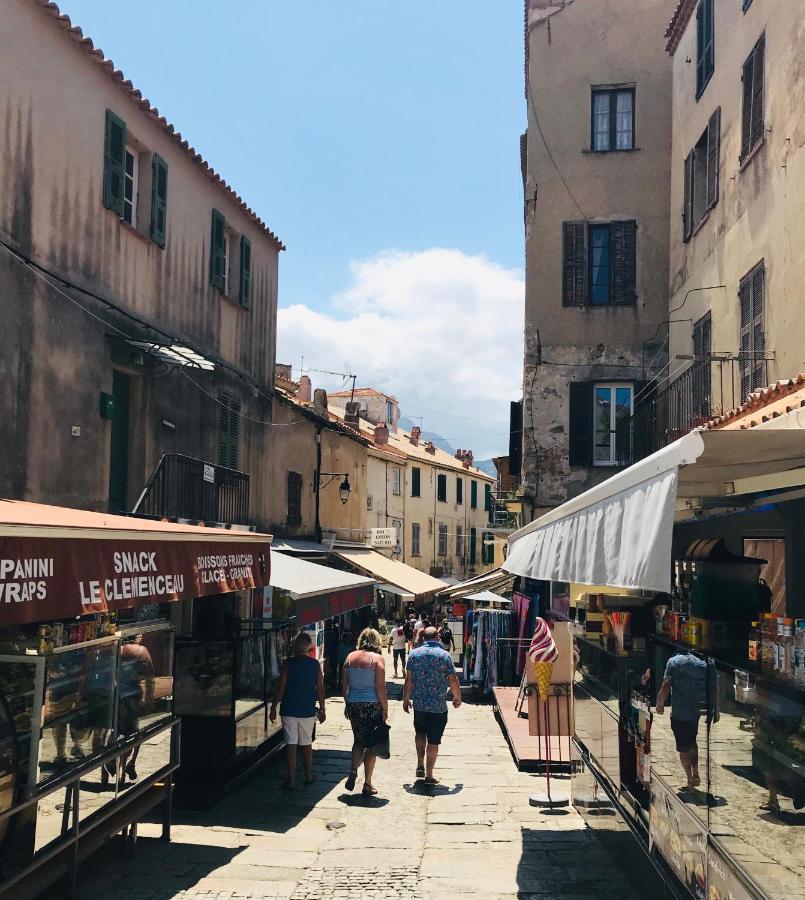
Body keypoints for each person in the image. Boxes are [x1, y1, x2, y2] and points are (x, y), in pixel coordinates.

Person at [403, 626, 461, 785]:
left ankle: (420, 763)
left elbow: (409, 680)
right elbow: (453, 679)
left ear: (423, 638)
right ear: (438, 637)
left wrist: (406, 699)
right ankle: (429, 775)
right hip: (438, 706)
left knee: (420, 733)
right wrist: (457, 698)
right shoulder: (444, 655)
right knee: (434, 741)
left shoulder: (414, 654)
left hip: (420, 704)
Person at [655, 650, 718, 792]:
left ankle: (689, 780)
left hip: (681, 711)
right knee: (692, 741)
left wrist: (660, 702)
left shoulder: (674, 662)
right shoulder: (708, 662)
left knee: (683, 747)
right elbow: (714, 687)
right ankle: (695, 771)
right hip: (699, 710)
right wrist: (716, 710)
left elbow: (666, 684)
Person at [270, 631, 326, 789]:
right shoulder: (314, 664)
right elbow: (320, 689)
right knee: (306, 743)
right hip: (307, 709)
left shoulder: (288, 664)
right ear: (309, 647)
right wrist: (322, 709)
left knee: (291, 745)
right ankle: (308, 774)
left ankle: (292, 779)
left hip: (289, 709)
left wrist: (274, 706)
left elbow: (280, 688)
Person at [343, 628, 388, 796]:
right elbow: (380, 686)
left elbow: (344, 685)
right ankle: (367, 784)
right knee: (372, 745)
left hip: (354, 704)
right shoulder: (377, 659)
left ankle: (353, 770)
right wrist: (384, 707)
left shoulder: (349, 658)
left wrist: (348, 704)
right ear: (377, 642)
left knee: (358, 741)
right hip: (372, 705)